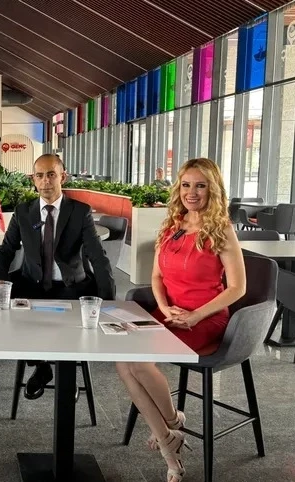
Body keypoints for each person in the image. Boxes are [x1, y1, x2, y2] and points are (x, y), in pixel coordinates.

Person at [116, 158, 245, 482]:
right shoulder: (172, 225)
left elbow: (237, 288)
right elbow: (156, 277)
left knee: (139, 363)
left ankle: (171, 430)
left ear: (212, 190)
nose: (192, 192)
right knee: (122, 360)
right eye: (186, 185)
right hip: (170, 314)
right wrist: (164, 307)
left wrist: (197, 314)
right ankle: (168, 437)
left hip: (206, 318)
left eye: (200, 185)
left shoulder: (221, 230)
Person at [0, 154, 114, 400]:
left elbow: (97, 256)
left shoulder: (79, 212)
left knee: (70, 331)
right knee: (12, 322)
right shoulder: (23, 212)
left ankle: (66, 376)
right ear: (33, 180)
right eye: (39, 176)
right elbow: (6, 251)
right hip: (32, 286)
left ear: (63, 177)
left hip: (70, 287)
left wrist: (109, 301)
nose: (45, 181)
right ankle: (41, 367)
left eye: (51, 175)